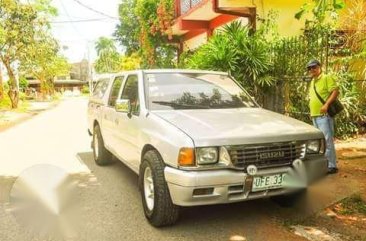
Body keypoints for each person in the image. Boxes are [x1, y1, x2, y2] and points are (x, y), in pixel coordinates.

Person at [306, 59, 339, 174]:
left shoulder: (326, 78)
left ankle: (332, 165)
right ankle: (325, 163)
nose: (312, 70)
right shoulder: (313, 81)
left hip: (324, 116)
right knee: (320, 141)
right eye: (310, 68)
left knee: (327, 140)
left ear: (320, 67)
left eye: (314, 67)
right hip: (315, 116)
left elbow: (335, 91)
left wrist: (326, 104)